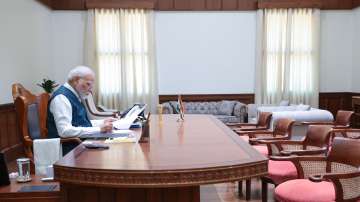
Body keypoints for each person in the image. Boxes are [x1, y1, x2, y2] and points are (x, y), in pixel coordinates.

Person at [47, 66, 114, 154]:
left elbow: (79, 122)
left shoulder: (75, 95)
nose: (91, 89)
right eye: (88, 84)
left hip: (79, 145)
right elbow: (64, 131)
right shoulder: (61, 98)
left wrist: (102, 122)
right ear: (76, 80)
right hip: (67, 151)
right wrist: (99, 129)